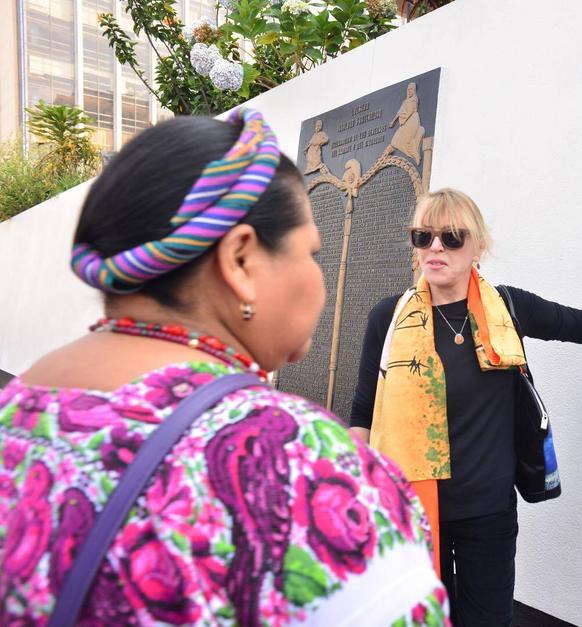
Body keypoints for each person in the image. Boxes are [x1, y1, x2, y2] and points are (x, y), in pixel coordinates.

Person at [0, 109, 448, 626]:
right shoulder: (305, 468)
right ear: (239, 261)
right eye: (313, 254)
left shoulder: (19, 407)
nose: (318, 281)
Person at [349, 188, 582, 626]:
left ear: (478, 246)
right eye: (423, 236)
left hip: (488, 512)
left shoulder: (506, 309)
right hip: (410, 509)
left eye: (452, 237)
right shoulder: (390, 317)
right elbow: (364, 409)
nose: (436, 247)